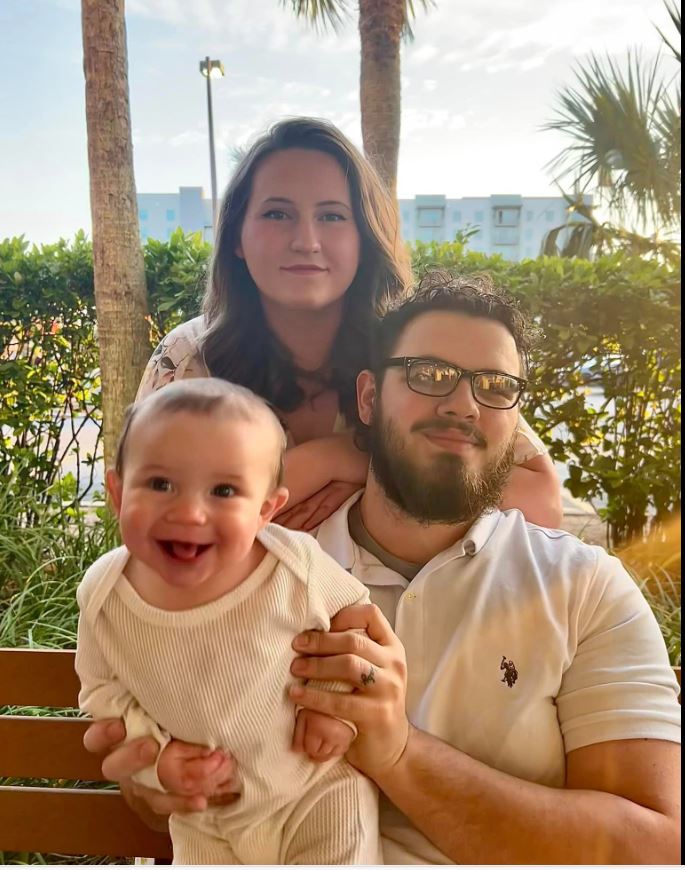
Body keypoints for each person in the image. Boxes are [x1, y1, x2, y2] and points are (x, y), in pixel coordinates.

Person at [86, 272, 681, 864]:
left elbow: (652, 846)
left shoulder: (585, 588)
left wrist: (399, 755)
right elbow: (165, 773)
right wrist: (159, 780)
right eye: (429, 374)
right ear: (368, 398)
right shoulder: (254, 571)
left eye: (496, 386)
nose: (462, 403)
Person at [137, 116, 562, 529]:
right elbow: (147, 517)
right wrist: (349, 461)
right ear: (236, 238)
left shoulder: (411, 353)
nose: (306, 241)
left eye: (332, 216)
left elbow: (540, 500)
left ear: (366, 237)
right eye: (277, 214)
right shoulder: (189, 360)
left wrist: (355, 464)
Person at [75, 378, 381, 865]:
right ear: (116, 491)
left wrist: (335, 710)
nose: (190, 512)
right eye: (160, 484)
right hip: (206, 817)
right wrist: (158, 758)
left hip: (315, 791)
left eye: (223, 490)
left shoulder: (292, 564)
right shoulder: (104, 596)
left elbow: (356, 620)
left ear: (265, 511)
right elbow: (104, 695)